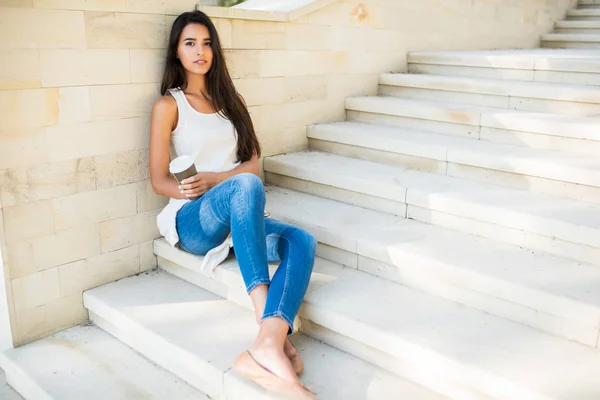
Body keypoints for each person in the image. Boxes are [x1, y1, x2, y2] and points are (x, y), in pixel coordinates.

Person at [149, 8, 317, 399]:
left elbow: (253, 164)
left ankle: (266, 343)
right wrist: (193, 188)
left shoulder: (232, 99)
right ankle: (265, 319)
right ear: (177, 51)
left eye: (207, 43)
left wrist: (220, 179)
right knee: (244, 186)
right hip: (195, 221)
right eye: (190, 43)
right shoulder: (169, 105)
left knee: (302, 241)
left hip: (240, 210)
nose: (200, 51)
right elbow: (158, 179)